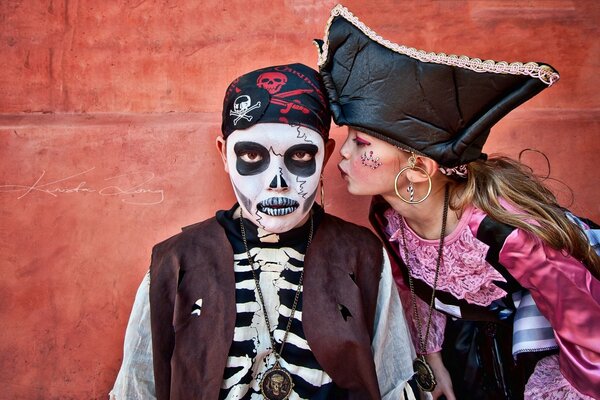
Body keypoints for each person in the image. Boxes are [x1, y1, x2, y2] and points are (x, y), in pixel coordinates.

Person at [316, 5, 600, 400]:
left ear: (418, 168)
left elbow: (586, 326)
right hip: (463, 341)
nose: (342, 155)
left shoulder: (505, 233)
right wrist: (433, 362)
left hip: (535, 341)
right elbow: (412, 284)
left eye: (360, 143)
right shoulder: (387, 213)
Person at [109, 63, 419, 400]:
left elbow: (395, 381)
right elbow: (137, 387)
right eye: (252, 155)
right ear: (224, 154)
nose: (278, 184)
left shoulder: (362, 257)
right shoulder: (176, 262)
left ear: (325, 155)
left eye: (300, 154)